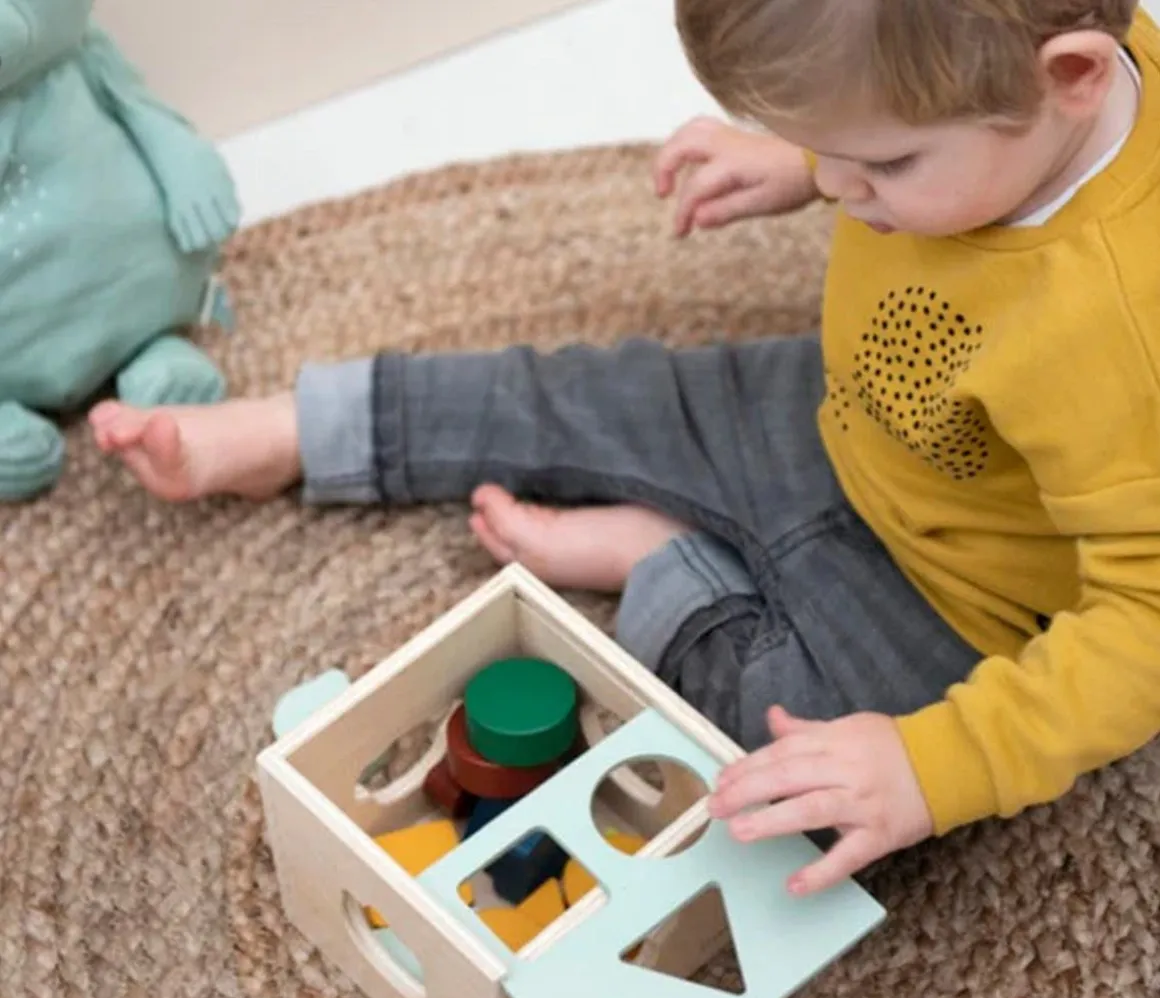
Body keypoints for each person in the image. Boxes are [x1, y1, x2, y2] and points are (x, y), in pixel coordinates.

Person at [90, 0, 1160, 897]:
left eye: (879, 162)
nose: (839, 190)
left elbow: (1144, 620)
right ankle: (308, 430)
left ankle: (661, 563)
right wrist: (804, 149)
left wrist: (935, 764)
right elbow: (899, 86)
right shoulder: (997, 83)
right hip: (851, 415)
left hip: (957, 610)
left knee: (799, 784)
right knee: (591, 393)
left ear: (1068, 75)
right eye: (829, 153)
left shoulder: (1118, 325)